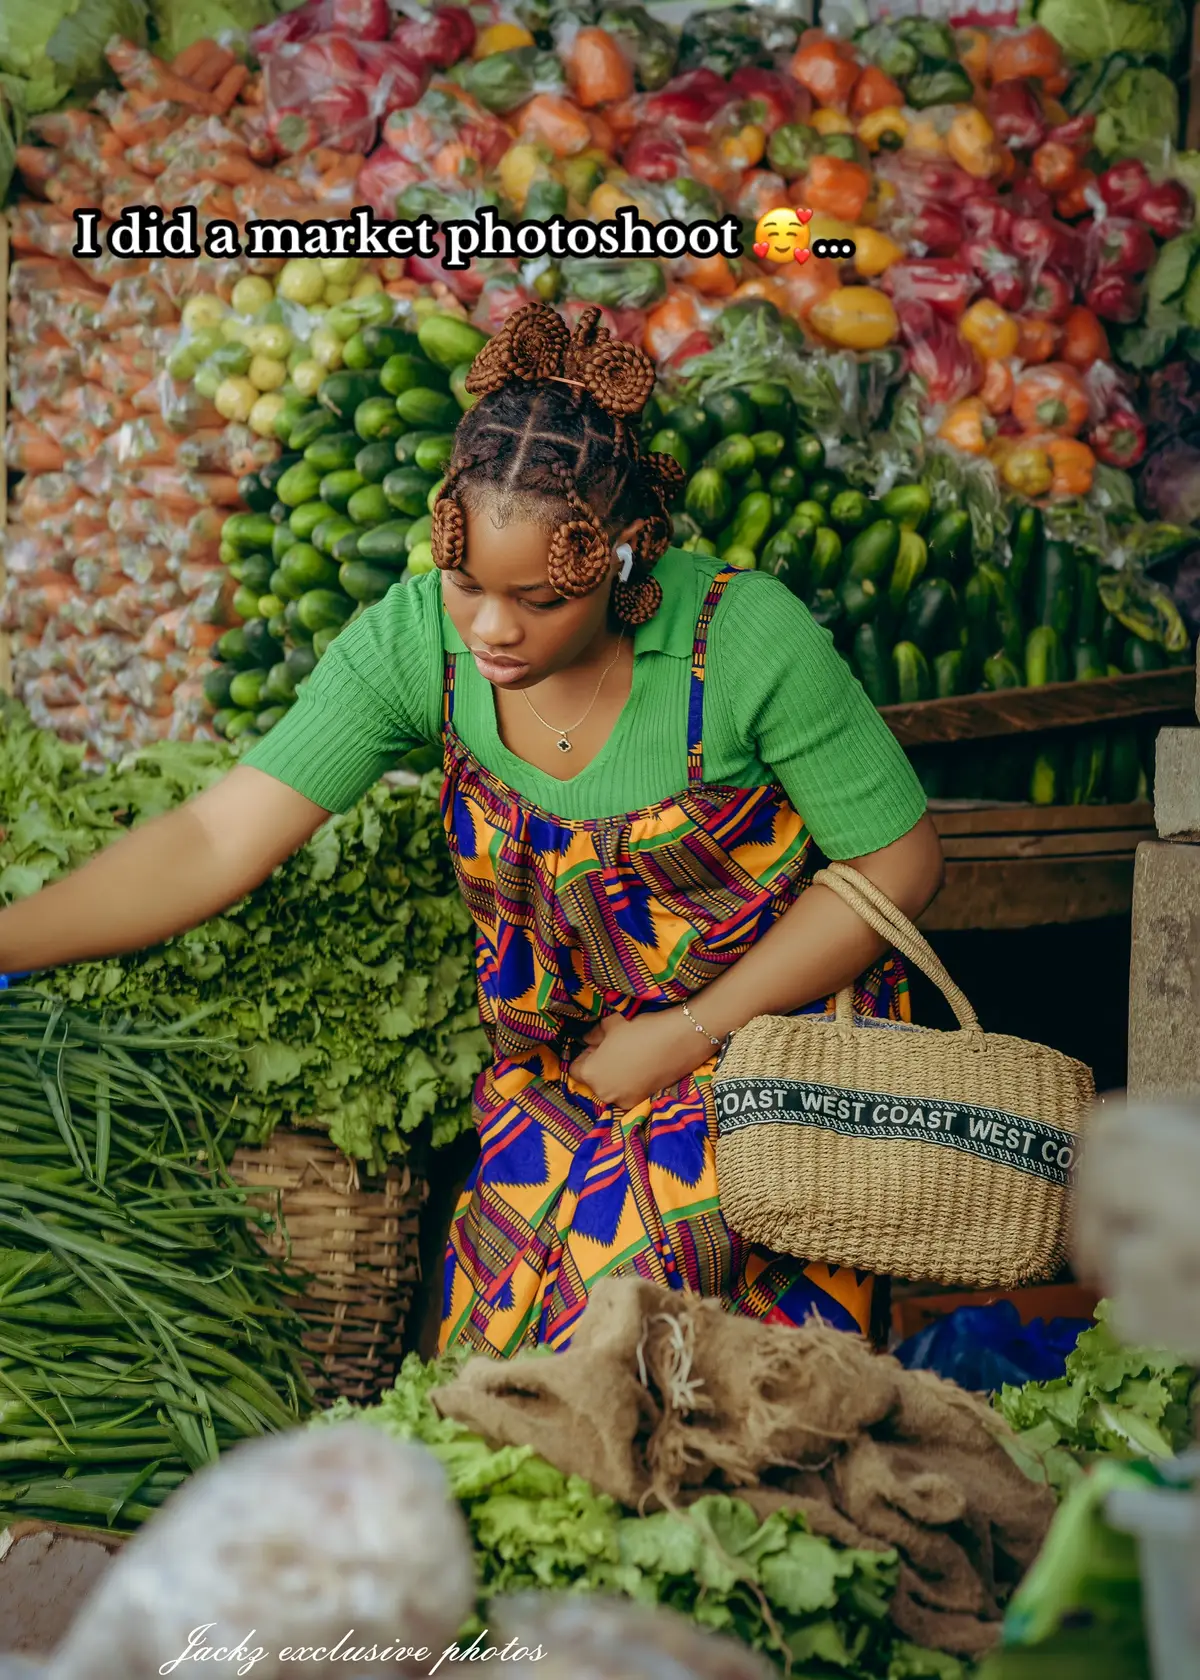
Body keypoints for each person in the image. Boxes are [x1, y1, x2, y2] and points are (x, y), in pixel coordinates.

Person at [0, 302, 944, 1358]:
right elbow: (217, 839)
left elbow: (899, 865)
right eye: (467, 585)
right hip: (570, 1068)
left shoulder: (744, 641)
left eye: (539, 599)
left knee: (618, 1342)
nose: (494, 630)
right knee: (477, 1356)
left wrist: (689, 1034)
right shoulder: (417, 645)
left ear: (627, 555)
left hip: (780, 1053)